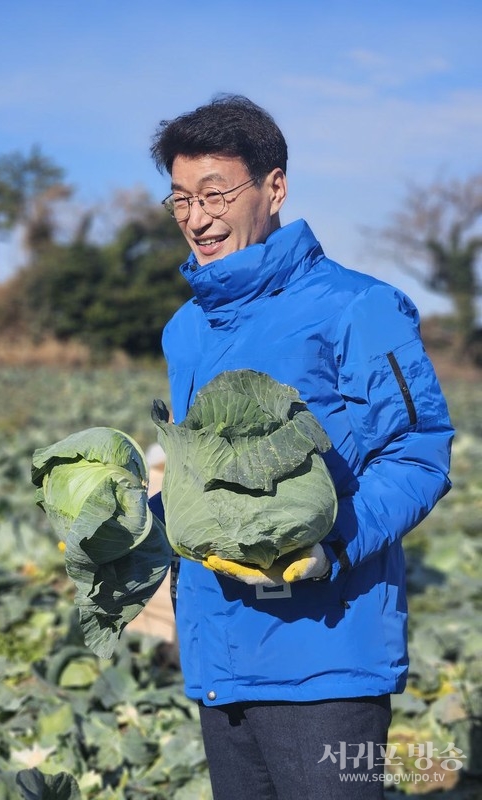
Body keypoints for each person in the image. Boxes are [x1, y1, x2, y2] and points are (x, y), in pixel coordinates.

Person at [148, 94, 454, 799]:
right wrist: (140, 522)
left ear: (275, 187)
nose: (196, 217)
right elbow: (212, 477)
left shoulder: (358, 307)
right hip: (219, 657)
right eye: (180, 199)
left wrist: (333, 545)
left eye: (215, 193)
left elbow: (418, 451)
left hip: (326, 656)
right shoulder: (186, 329)